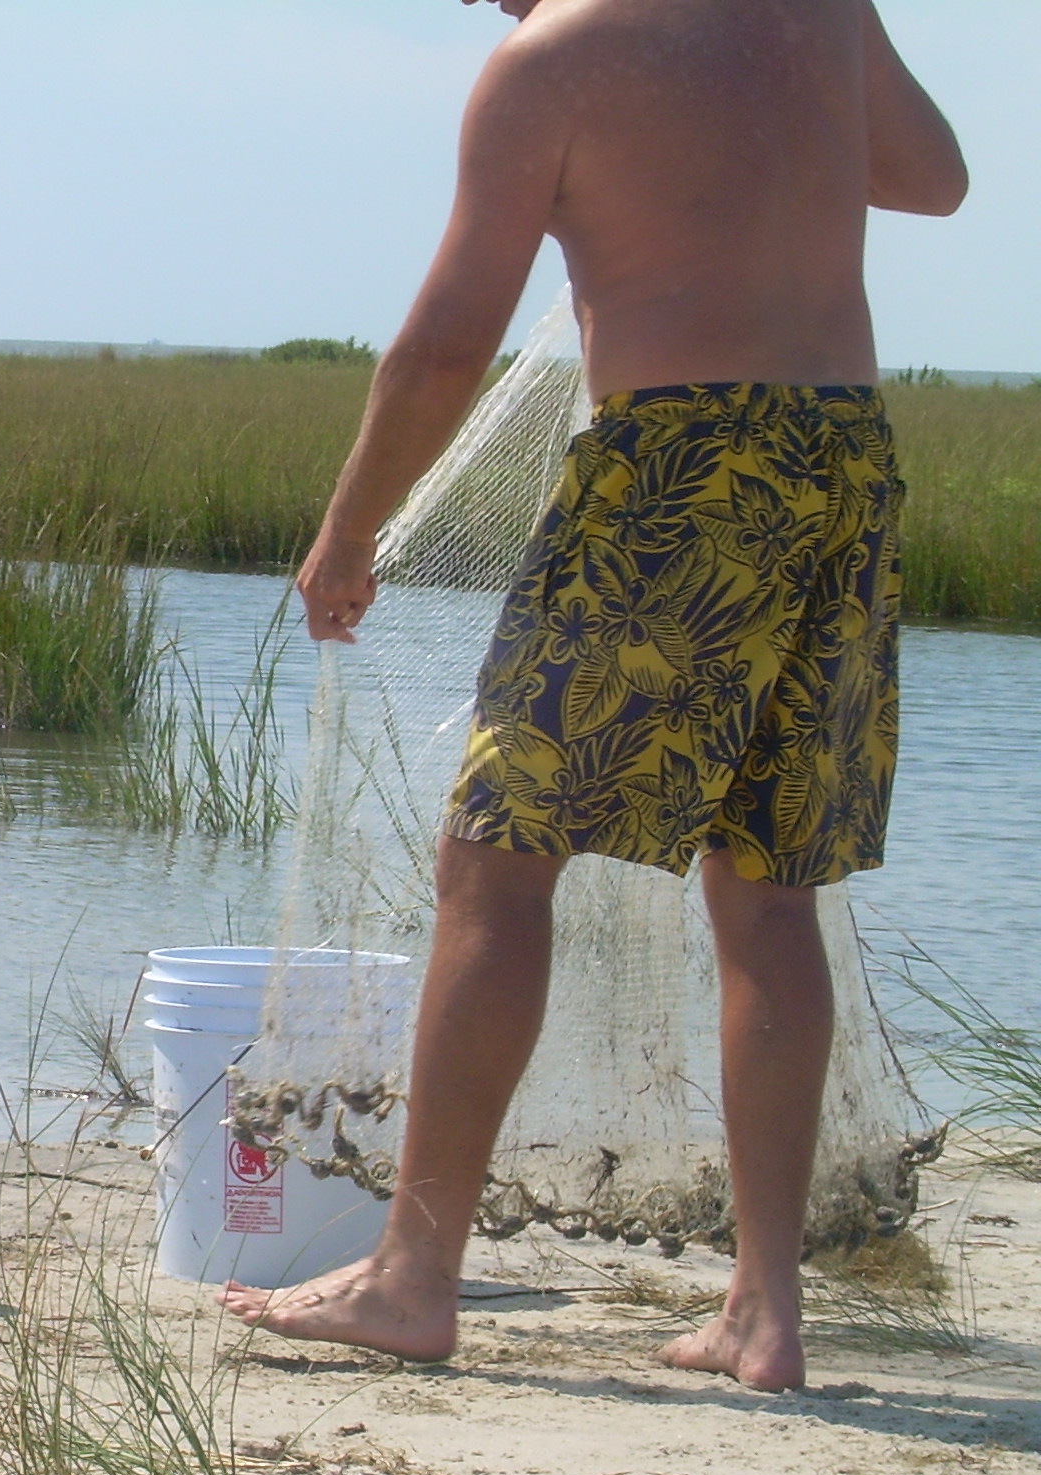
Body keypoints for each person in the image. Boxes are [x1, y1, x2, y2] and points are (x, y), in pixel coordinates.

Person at [221, 0, 965, 1390]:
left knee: (494, 863)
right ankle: (764, 1311)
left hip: (676, 466)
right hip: (842, 464)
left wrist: (348, 532)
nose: (486, 5)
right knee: (770, 888)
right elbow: (932, 177)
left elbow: (444, 344)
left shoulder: (551, 61)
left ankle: (411, 1277)